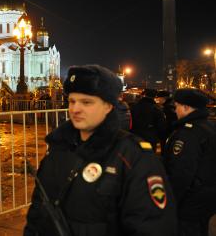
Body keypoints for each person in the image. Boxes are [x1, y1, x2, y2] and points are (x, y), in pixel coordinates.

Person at [24, 65, 177, 236]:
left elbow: (153, 225)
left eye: (86, 102)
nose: (75, 109)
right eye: (72, 101)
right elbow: (39, 208)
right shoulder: (59, 147)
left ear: (108, 106)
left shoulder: (133, 156)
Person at [163, 88, 216, 236]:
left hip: (190, 202)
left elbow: (181, 173)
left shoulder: (188, 133)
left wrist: (170, 202)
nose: (175, 111)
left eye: (177, 106)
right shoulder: (210, 127)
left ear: (186, 107)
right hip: (207, 197)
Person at [130, 88, 167, 153]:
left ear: (144, 95)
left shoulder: (134, 107)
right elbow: (161, 126)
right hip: (150, 139)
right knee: (148, 157)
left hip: (135, 137)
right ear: (154, 96)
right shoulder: (156, 109)